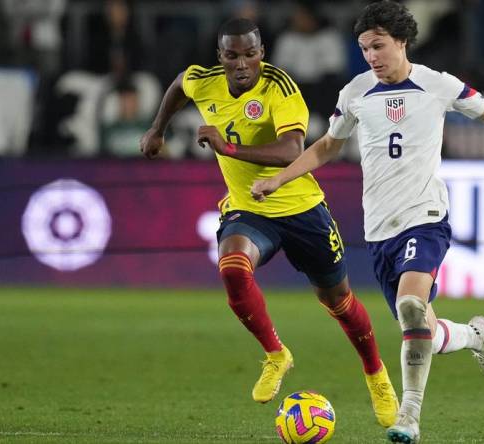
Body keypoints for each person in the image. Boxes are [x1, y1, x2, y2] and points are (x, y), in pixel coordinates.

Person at [250, 2, 484, 443]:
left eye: (378, 46)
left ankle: (409, 416)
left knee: (411, 308)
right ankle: (474, 335)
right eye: (364, 49)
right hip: (380, 231)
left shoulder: (438, 85)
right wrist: (280, 178)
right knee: (422, 331)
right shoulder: (355, 93)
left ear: (401, 41)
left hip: (426, 218)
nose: (372, 56)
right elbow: (326, 147)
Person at [139, 17, 399, 428]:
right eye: (232, 55)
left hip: (301, 209)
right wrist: (157, 130)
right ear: (220, 57)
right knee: (232, 267)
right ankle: (277, 354)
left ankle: (375, 374)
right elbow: (177, 85)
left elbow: (292, 150)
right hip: (249, 208)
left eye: (249, 54)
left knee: (339, 302)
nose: (241, 63)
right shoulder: (202, 81)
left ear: (262, 53)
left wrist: (229, 147)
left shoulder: (279, 87)